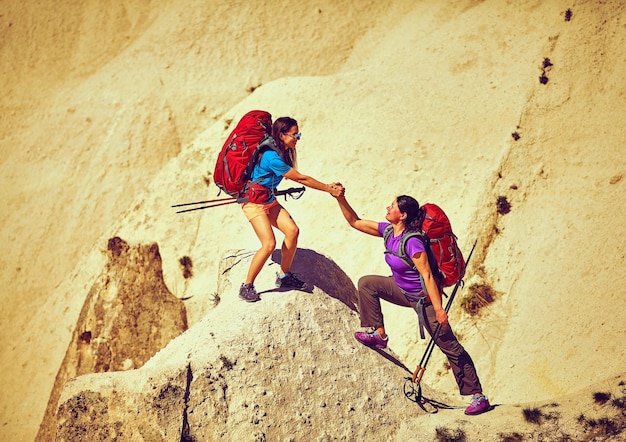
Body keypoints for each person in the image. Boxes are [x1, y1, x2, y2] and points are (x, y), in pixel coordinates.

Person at [333, 190, 490, 416]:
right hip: (401, 290)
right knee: (367, 283)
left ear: (403, 215)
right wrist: (340, 198)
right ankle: (379, 335)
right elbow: (354, 221)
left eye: (393, 206)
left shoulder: (413, 242)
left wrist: (438, 310)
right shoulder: (388, 232)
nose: (388, 207)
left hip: (423, 299)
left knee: (450, 346)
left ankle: (478, 396)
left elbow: (426, 275)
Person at [239, 116, 343, 302]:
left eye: (298, 134)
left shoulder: (281, 151)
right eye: (295, 135)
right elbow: (301, 178)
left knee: (292, 231)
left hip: (268, 200)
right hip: (254, 203)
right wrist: (328, 189)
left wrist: (328, 186)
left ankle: (283, 276)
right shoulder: (272, 157)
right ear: (281, 135)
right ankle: (246, 286)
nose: (297, 138)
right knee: (269, 244)